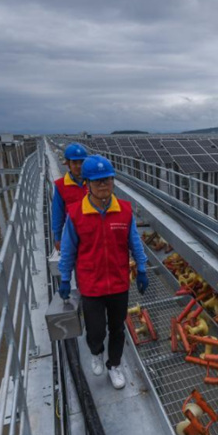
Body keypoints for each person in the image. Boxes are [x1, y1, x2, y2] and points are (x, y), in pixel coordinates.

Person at [58, 155, 149, 389]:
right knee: (96, 329)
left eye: (107, 180)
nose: (103, 185)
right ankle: (96, 351)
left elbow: (135, 243)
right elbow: (68, 249)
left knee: (117, 328)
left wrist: (142, 268)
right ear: (87, 183)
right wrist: (65, 278)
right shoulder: (76, 214)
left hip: (118, 282)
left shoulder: (124, 211)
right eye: (97, 181)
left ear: (113, 181)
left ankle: (114, 365)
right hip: (91, 283)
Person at [52, 143, 89, 251]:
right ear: (67, 163)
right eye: (74, 162)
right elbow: (57, 213)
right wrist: (58, 237)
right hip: (73, 235)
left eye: (81, 162)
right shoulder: (61, 185)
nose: (78, 166)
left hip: (93, 233)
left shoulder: (94, 182)